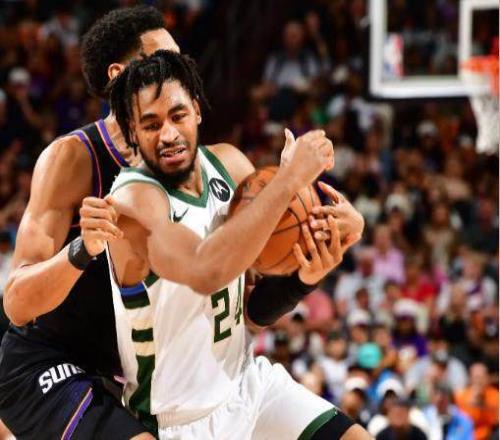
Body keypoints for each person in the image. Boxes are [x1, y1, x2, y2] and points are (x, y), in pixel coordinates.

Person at [106, 50, 370, 439]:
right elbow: (205, 272)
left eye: (177, 116)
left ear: (197, 110)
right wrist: (288, 180)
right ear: (132, 130)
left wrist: (309, 270)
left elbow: (251, 313)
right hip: (179, 420)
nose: (168, 134)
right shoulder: (133, 202)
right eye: (151, 124)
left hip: (248, 385)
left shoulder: (229, 165)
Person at [0, 6, 180, 439]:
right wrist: (81, 250)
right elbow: (17, 303)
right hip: (47, 360)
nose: (179, 72)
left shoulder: (189, 164)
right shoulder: (73, 158)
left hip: (128, 378)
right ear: (120, 75)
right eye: (164, 59)